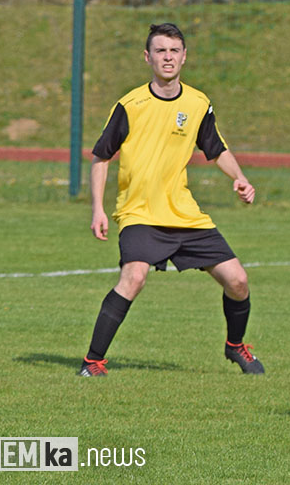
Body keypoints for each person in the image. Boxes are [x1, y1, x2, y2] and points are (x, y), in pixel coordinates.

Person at [78, 23, 264, 377]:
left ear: (184, 56)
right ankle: (93, 362)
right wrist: (99, 208)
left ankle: (235, 346)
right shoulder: (130, 104)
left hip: (184, 214)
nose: (168, 57)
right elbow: (101, 157)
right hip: (140, 213)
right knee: (133, 277)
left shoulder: (197, 103)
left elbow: (215, 148)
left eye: (174, 50)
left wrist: (239, 178)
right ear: (148, 58)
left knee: (238, 281)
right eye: (160, 51)